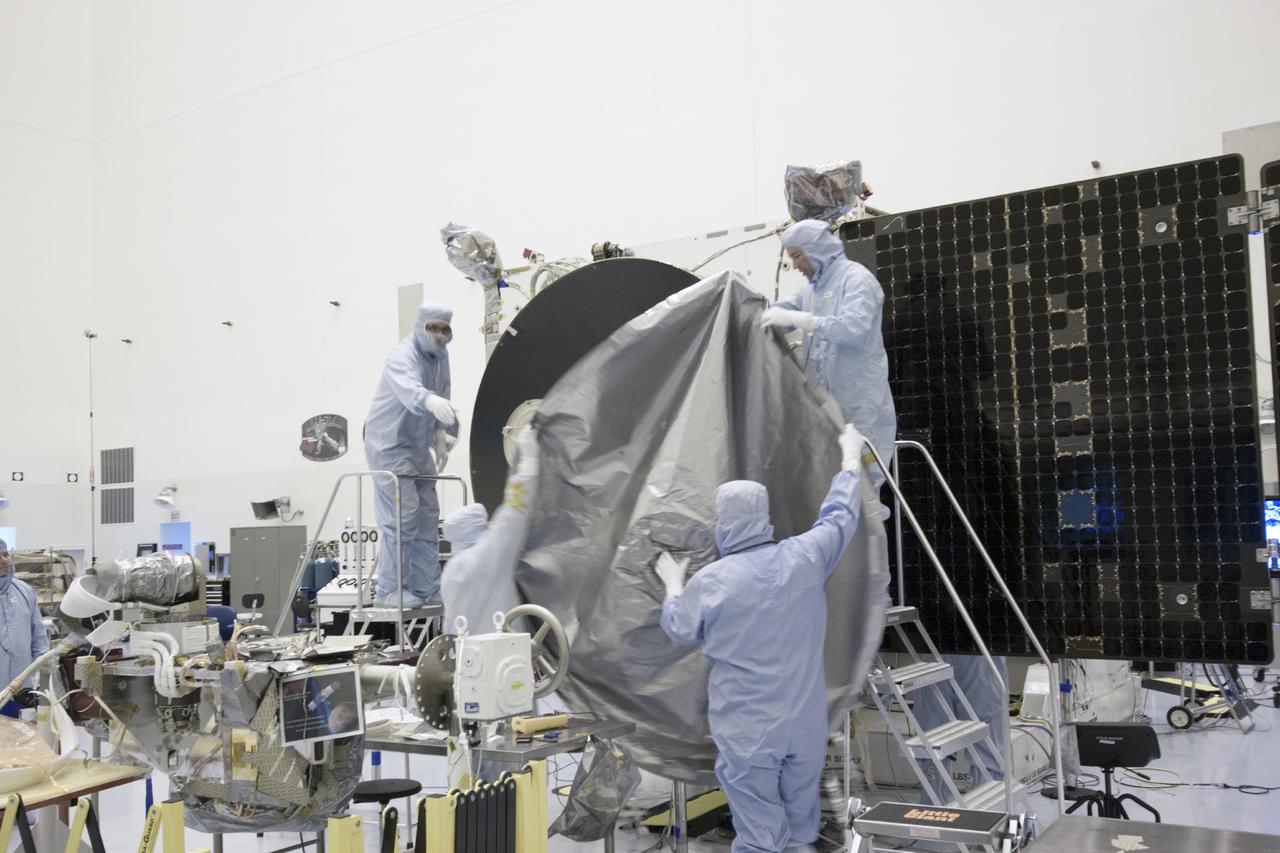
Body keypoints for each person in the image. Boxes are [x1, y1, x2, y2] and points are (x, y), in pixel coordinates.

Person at [657, 425, 867, 853]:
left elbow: (679, 628)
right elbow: (840, 517)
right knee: (800, 830)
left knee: (759, 836)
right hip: (804, 726)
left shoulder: (712, 582)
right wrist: (850, 459)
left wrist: (673, 587)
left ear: (724, 521)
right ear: (763, 515)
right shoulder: (805, 556)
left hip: (748, 730)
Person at [761, 219, 896, 485]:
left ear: (817, 250)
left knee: (863, 484)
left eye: (797, 256)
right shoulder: (811, 291)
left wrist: (805, 320)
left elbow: (853, 328)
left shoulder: (857, 280)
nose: (795, 265)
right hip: (826, 410)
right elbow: (778, 314)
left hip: (860, 409)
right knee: (831, 483)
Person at [364, 302, 459, 608]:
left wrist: (439, 433)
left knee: (428, 513)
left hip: (417, 445)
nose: (439, 334)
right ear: (420, 326)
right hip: (389, 444)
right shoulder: (401, 355)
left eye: (444, 329)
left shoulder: (440, 358)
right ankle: (390, 590)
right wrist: (430, 402)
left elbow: (443, 393)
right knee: (403, 515)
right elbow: (411, 390)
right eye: (432, 328)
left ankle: (426, 586)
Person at [441, 425, 540, 635]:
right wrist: (528, 466)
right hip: (504, 651)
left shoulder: (451, 572)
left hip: (466, 654)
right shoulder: (484, 558)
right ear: (480, 525)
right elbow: (512, 516)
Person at [913, 654, 1009, 799]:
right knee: (932, 742)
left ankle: (988, 803)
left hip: (980, 652)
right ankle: (934, 806)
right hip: (933, 649)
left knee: (987, 745)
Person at [0, 539, 49, 718]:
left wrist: (42, 675)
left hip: (23, 692)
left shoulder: (24, 591)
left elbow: (39, 639)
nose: (3, 560)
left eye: (5, 554)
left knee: (25, 734)